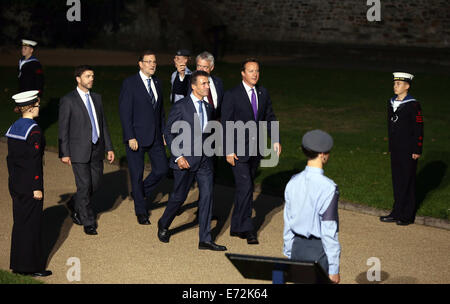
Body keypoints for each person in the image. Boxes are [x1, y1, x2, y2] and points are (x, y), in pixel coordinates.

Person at [157, 70, 227, 251]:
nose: (207, 87)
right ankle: (164, 223)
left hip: (206, 160)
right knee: (179, 197)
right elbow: (168, 132)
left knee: (207, 197)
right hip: (185, 160)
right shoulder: (181, 106)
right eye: (204, 84)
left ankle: (205, 239)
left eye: (208, 83)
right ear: (194, 86)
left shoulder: (208, 107)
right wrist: (178, 156)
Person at [221, 58, 281, 245]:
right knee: (246, 187)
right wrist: (228, 150)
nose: (255, 74)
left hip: (256, 149)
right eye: (251, 71)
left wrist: (276, 139)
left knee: (244, 189)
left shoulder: (263, 93)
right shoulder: (232, 95)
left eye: (257, 71)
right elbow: (226, 124)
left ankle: (237, 226)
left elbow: (270, 117)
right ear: (243, 73)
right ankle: (248, 229)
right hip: (238, 151)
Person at [58, 65, 115, 235]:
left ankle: (75, 202)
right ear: (78, 79)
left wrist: (109, 147)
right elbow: (63, 128)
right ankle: (87, 220)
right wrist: (64, 152)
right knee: (84, 186)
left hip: (97, 149)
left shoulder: (97, 98)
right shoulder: (68, 100)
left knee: (95, 184)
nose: (91, 79)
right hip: (78, 150)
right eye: (87, 76)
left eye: (92, 75)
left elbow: (103, 124)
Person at [283, 129, 340, 284]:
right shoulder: (328, 187)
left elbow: (288, 221)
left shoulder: (292, 182)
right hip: (318, 252)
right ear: (322, 155)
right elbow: (329, 230)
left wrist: (289, 252)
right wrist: (334, 268)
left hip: (296, 248)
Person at [119, 51, 168, 225]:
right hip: (136, 138)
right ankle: (141, 211)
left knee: (162, 169)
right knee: (136, 174)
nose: (152, 65)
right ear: (140, 64)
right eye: (148, 62)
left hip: (155, 137)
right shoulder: (130, 83)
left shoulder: (158, 82)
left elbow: (160, 111)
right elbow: (125, 113)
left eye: (154, 62)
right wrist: (130, 136)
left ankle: (139, 192)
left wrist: (163, 132)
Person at [6, 90, 52, 277]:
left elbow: (11, 159)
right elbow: (34, 162)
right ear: (31, 107)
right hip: (30, 186)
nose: (39, 107)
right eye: (38, 104)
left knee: (20, 224)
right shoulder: (33, 129)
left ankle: (18, 264)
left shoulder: (14, 127)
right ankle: (31, 267)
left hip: (16, 183)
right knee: (32, 226)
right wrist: (37, 187)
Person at [380, 72, 424, 226]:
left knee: (408, 180)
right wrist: (391, 146)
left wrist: (417, 149)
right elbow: (390, 126)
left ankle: (407, 215)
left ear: (407, 86)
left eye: (398, 84)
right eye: (394, 84)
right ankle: (396, 211)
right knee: (397, 180)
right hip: (397, 148)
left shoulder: (413, 104)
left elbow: (418, 128)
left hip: (408, 149)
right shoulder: (391, 102)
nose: (395, 87)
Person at [195, 51, 224, 120]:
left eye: (205, 67)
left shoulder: (218, 82)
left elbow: (222, 103)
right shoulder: (189, 82)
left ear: (211, 68)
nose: (201, 69)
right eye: (199, 66)